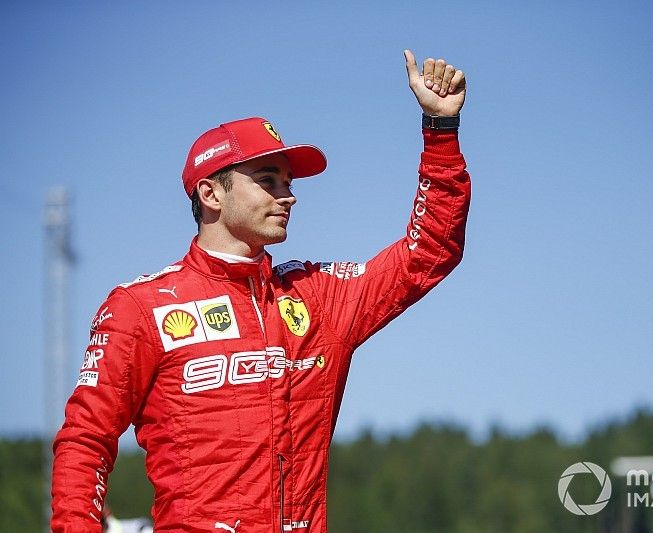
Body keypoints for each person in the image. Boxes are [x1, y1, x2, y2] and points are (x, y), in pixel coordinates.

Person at [51, 50, 470, 532]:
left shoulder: (320, 296)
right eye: (268, 181)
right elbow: (85, 442)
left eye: (288, 183)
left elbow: (429, 251)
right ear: (211, 194)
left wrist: (441, 132)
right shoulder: (139, 308)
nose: (287, 195)